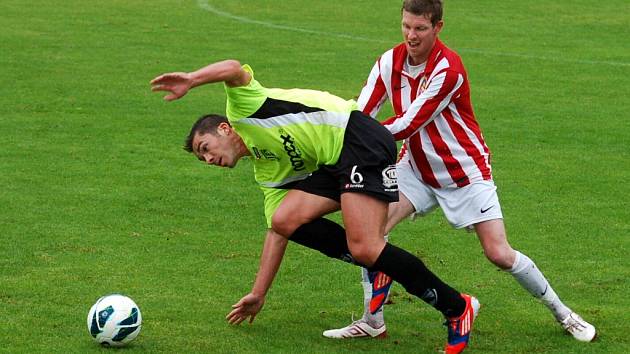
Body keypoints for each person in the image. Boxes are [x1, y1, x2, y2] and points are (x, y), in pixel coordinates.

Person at [151, 59, 480, 353]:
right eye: (201, 158)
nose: (208, 159)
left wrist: (193, 79)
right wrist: (258, 294)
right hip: (336, 161)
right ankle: (381, 264)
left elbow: (234, 68)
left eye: (205, 147)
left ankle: (457, 308)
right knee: (284, 218)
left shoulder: (244, 109)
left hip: (357, 136)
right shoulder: (267, 171)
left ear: (224, 128)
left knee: (366, 247)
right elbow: (277, 231)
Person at [322, 0, 596, 343]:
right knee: (368, 237)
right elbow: (362, 111)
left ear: (438, 28)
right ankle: (372, 321)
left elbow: (409, 123)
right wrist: (337, 136)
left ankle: (564, 313)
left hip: (465, 172)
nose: (411, 35)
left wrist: (363, 137)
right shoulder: (388, 61)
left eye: (420, 28)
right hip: (416, 169)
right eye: (406, 26)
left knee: (499, 253)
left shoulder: (448, 69)